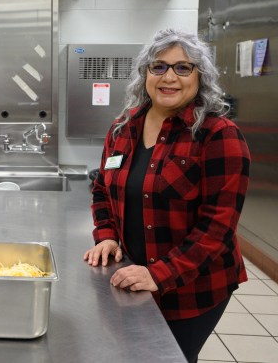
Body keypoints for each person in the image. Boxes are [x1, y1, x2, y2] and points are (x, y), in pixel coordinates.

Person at [83, 28, 250, 363]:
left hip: (194, 289)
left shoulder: (218, 135)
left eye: (183, 68)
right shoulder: (124, 126)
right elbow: (102, 188)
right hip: (133, 274)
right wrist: (107, 236)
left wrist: (158, 275)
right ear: (145, 74)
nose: (169, 77)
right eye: (158, 67)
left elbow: (217, 228)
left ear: (201, 76)